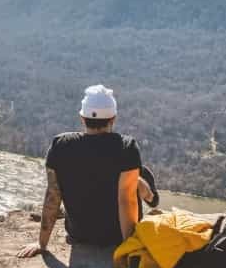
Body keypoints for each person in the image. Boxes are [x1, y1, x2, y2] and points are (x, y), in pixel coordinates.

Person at [18, 84, 157, 258]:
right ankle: (149, 192)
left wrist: (42, 243)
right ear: (113, 118)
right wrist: (129, 249)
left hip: (80, 235)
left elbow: (53, 195)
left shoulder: (61, 145)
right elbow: (126, 201)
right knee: (138, 175)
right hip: (115, 237)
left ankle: (143, 185)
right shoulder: (126, 147)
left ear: (82, 118)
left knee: (131, 175)